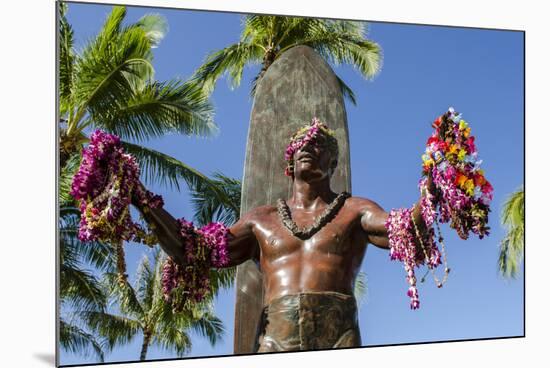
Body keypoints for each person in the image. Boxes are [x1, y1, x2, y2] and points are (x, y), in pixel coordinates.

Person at [134, 120, 432, 352]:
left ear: (332, 163)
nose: (309, 146)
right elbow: (194, 249)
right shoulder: (261, 220)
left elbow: (405, 229)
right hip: (275, 339)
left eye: (319, 144)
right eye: (301, 143)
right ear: (289, 164)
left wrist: (434, 182)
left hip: (338, 336)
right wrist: (139, 196)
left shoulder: (355, 210)